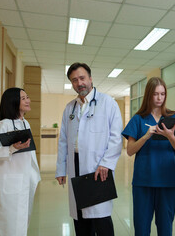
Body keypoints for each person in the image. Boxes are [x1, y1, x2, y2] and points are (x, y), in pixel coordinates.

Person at [55, 62, 123, 236]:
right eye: (74, 80)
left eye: (82, 78)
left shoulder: (108, 103)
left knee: (101, 219)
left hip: (98, 168)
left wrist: (106, 163)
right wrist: (61, 169)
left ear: (90, 78)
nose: (79, 83)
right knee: (80, 219)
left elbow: (116, 138)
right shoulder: (70, 108)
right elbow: (63, 140)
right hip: (75, 166)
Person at [122, 77, 175, 236]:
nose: (160, 98)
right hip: (144, 180)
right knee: (141, 227)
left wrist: (170, 136)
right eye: (155, 94)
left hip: (169, 180)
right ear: (148, 95)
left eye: (162, 94)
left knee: (165, 227)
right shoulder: (138, 119)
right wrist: (146, 136)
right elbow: (130, 150)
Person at [0, 87, 41, 236]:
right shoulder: (4, 125)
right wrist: (11, 149)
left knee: (21, 224)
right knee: (9, 226)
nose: (28, 101)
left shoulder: (25, 123)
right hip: (11, 184)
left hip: (26, 181)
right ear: (13, 102)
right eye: (23, 98)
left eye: (27, 97)